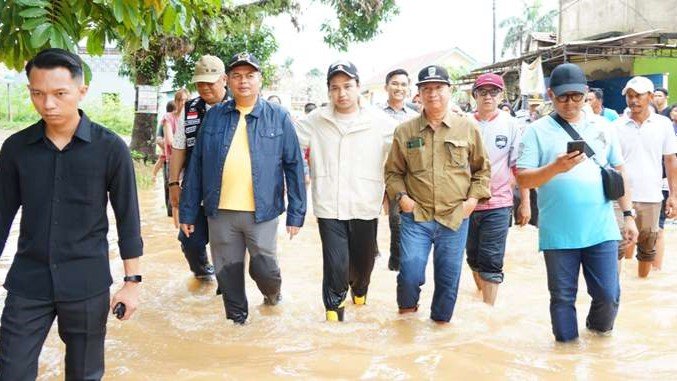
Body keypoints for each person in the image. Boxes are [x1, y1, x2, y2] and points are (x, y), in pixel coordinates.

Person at [0, 48, 143, 380]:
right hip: (28, 282)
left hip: (86, 283)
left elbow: (128, 219)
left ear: (82, 90)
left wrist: (131, 283)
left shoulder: (111, 149)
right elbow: (2, 216)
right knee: (10, 370)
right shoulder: (16, 149)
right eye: (38, 93)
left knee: (84, 374)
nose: (47, 103)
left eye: (59, 93)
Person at [179, 52, 306, 325]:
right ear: (228, 80)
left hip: (262, 212)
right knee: (228, 275)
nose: (243, 81)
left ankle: (273, 297)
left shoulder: (279, 117)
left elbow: (294, 165)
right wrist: (188, 211)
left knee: (264, 270)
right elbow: (197, 165)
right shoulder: (214, 118)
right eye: (237, 76)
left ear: (260, 80)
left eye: (250, 76)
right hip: (220, 212)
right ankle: (237, 327)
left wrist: (297, 213)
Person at [516, 63, 638, 342]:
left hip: (602, 228)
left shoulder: (604, 126)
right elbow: (523, 180)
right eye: (562, 97)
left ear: (586, 94)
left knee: (609, 294)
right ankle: (566, 355)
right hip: (558, 233)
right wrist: (555, 168)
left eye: (576, 96)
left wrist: (629, 215)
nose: (569, 103)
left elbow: (618, 171)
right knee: (562, 298)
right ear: (550, 95)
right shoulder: (536, 131)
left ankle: (598, 343)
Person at [384, 65, 492, 323]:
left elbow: (482, 171)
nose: (433, 94)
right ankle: (406, 323)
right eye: (426, 89)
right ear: (418, 94)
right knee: (409, 271)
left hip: (454, 217)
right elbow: (392, 173)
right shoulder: (405, 131)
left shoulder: (468, 129)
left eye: (438, 88)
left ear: (449, 91)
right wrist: (403, 199)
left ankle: (440, 330)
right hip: (416, 216)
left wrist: (471, 202)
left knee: (448, 277)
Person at [296, 60, 396, 322]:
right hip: (329, 205)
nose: (341, 93)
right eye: (335, 87)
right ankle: (334, 319)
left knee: (363, 265)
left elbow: (401, 155)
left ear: (358, 87)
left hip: (365, 204)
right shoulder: (316, 120)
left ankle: (360, 293)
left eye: (347, 86)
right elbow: (288, 143)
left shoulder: (379, 121)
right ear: (329, 91)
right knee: (335, 266)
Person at [467, 73, 530, 305]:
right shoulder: (463, 123)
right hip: (467, 203)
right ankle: (481, 296)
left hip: (500, 202)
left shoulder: (511, 125)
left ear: (501, 95)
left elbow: (518, 167)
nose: (488, 97)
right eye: (482, 92)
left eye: (493, 92)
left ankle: (488, 311)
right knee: (472, 257)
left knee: (492, 260)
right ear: (474, 95)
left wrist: (525, 202)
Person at [169, 55, 227, 279]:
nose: (204, 87)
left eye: (209, 82)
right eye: (199, 82)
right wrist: (174, 183)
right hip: (196, 188)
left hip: (228, 192)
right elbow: (179, 146)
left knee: (229, 247)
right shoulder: (191, 108)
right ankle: (203, 274)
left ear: (223, 80)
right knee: (189, 240)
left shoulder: (236, 106)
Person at [613, 77, 677, 278]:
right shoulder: (616, 126)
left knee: (648, 248)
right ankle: (615, 293)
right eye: (630, 96)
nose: (633, 101)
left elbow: (670, 160)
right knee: (617, 246)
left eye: (638, 96)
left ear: (649, 97)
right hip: (620, 197)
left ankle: (643, 285)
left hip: (652, 195)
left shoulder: (663, 124)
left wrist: (673, 195)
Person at [381, 68, 419, 271]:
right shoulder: (375, 115)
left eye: (403, 84)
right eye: (395, 83)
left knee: (399, 221)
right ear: (386, 87)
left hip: (405, 177)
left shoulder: (415, 117)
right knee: (370, 222)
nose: (399, 88)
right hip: (378, 176)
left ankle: (398, 265)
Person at [159, 89, 189, 217]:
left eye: (185, 100)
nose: (182, 103)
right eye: (180, 100)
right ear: (175, 101)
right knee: (173, 196)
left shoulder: (192, 117)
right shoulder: (168, 118)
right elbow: (171, 141)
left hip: (189, 161)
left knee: (188, 194)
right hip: (172, 160)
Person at [152, 100, 174, 182]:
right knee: (161, 159)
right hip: (167, 149)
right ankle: (154, 174)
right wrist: (165, 148)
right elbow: (158, 139)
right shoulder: (165, 121)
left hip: (174, 150)